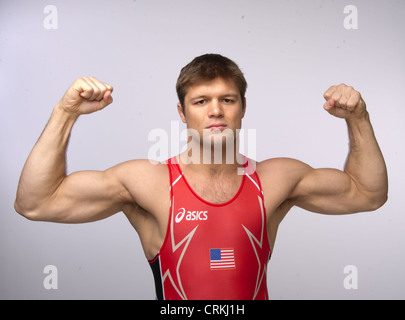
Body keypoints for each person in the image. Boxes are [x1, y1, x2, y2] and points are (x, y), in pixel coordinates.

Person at [14, 54, 388, 300]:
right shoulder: (147, 182)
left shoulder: (275, 179)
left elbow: (367, 193)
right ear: (182, 112)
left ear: (243, 108)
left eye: (227, 99)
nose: (215, 111)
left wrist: (359, 118)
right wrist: (66, 112)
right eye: (201, 101)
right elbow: (35, 202)